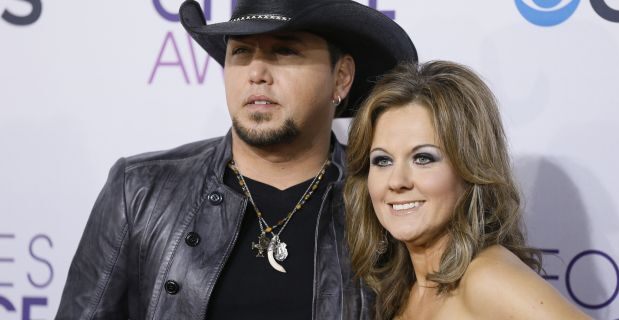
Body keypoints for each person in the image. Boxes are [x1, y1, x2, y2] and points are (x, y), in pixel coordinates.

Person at [55, 0, 417, 319]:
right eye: (241, 52)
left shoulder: (385, 201)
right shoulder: (138, 191)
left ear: (341, 78)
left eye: (284, 51)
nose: (257, 72)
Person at [344, 61, 591, 320]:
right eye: (382, 160)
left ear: (469, 168)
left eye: (423, 158)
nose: (397, 181)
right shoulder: (402, 291)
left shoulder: (486, 277)